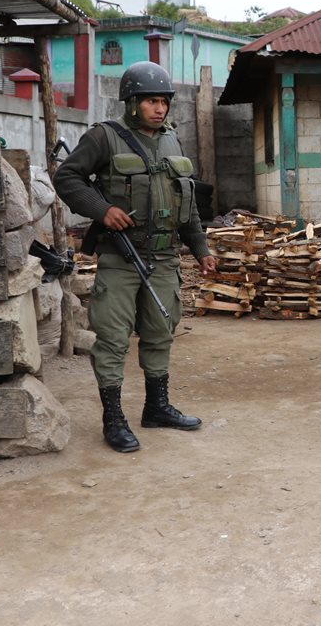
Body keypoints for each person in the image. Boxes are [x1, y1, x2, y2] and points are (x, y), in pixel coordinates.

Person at [54, 61, 216, 452]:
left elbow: (187, 201)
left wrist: (200, 248)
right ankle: (113, 419)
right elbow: (66, 177)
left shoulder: (173, 141)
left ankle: (157, 407)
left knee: (161, 333)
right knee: (112, 340)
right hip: (120, 259)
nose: (159, 108)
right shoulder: (104, 138)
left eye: (163, 101)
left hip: (163, 259)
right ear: (131, 103)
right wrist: (101, 209)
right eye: (150, 102)